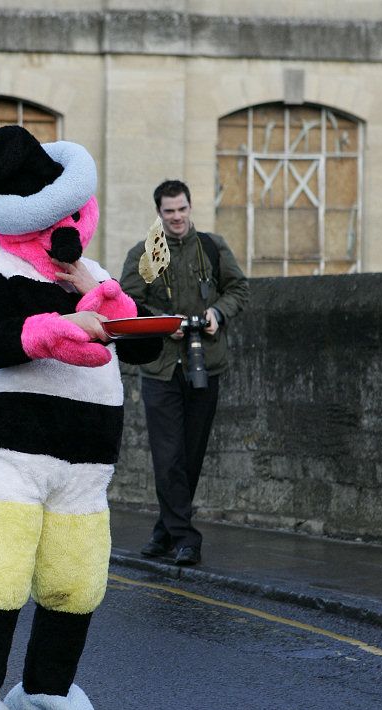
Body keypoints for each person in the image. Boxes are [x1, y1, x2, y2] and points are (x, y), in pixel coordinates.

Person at [0, 126, 161, 710]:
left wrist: (97, 296)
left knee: (76, 582)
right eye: (57, 223)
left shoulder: (96, 276)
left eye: (74, 218)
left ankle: (46, 692)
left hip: (84, 466)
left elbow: (146, 345)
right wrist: (62, 326)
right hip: (9, 455)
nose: (69, 233)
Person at [120, 179, 249, 566]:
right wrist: (164, 323)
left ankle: (164, 531)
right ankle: (186, 538)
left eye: (182, 209)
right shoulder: (143, 255)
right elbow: (127, 305)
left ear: (190, 208)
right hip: (160, 368)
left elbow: (239, 289)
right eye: (168, 211)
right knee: (167, 455)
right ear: (158, 213)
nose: (176, 218)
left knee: (191, 454)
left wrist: (216, 313)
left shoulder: (213, 247)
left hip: (205, 364)